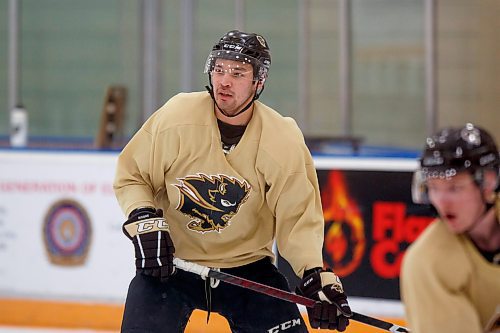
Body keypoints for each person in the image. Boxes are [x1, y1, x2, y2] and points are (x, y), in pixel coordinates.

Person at [113, 30, 352, 333]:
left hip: (249, 270)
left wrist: (313, 272)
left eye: (238, 73)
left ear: (259, 82)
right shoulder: (176, 117)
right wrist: (144, 216)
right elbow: (133, 175)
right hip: (171, 265)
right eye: (219, 69)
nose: (224, 81)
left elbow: (297, 218)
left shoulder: (281, 139)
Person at [401, 123, 500, 333]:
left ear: (489, 182)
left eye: (454, 188)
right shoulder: (428, 262)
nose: (441, 202)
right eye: (434, 188)